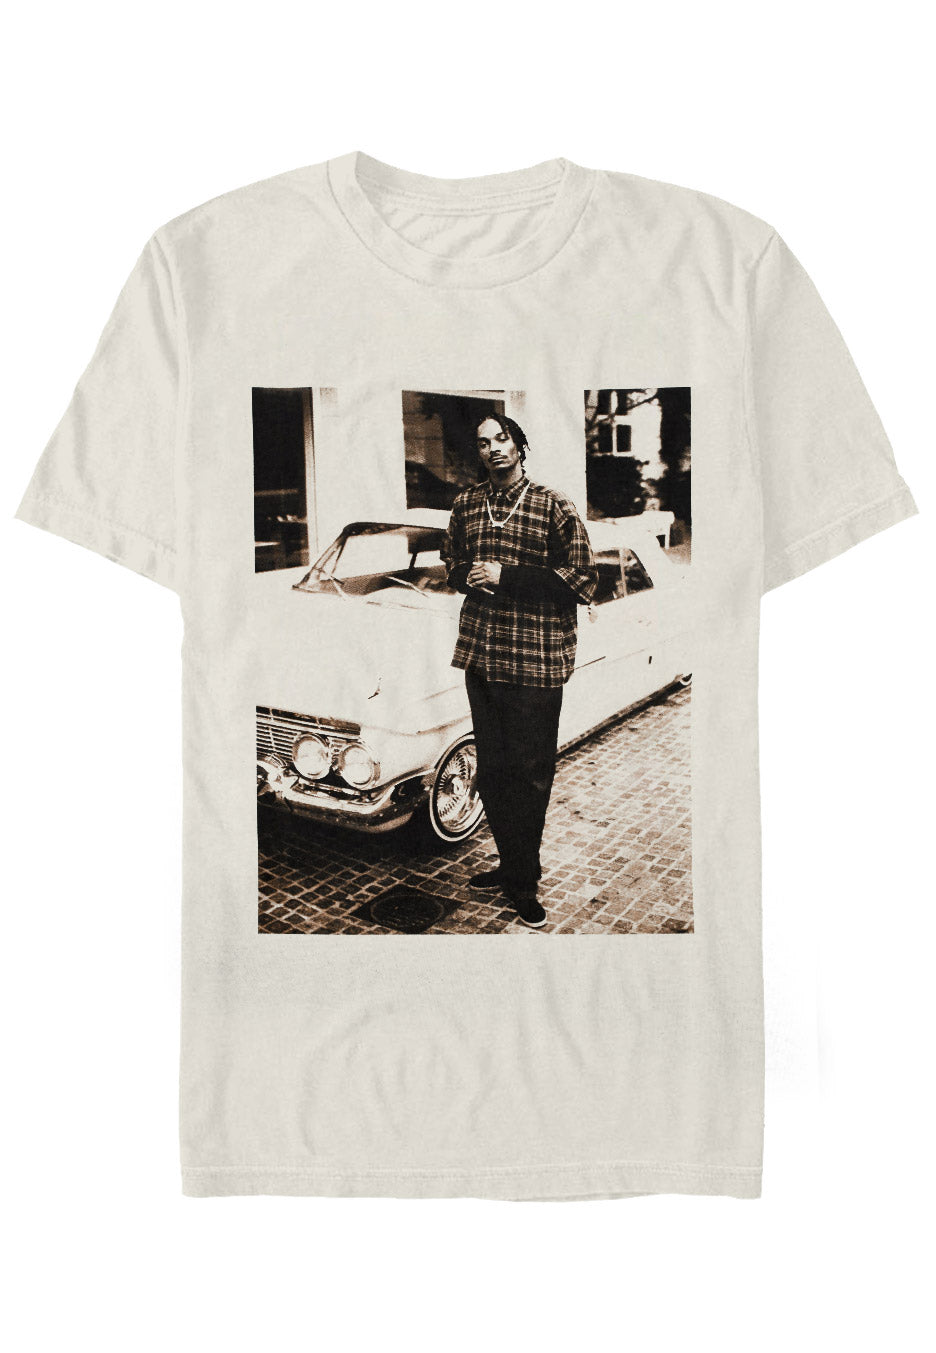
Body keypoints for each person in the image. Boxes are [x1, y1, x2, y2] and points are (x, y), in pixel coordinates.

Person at [441, 413, 598, 928]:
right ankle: (511, 865)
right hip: (483, 655)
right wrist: (466, 576)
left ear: (519, 445)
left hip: (536, 660)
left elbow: (582, 579)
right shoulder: (467, 504)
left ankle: (524, 882)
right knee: (493, 772)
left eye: (501, 438)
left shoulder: (553, 505)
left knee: (529, 776)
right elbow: (451, 563)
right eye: (482, 442)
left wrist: (506, 576)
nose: (492, 448)